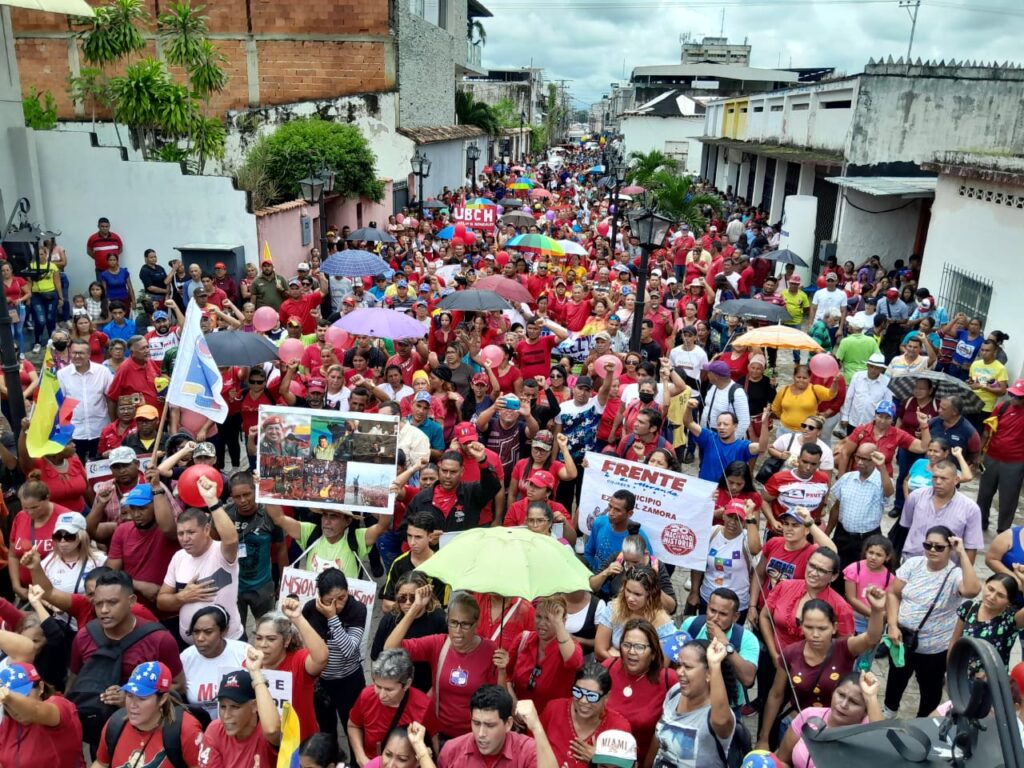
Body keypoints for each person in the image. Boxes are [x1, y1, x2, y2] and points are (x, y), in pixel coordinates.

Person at [756, 589, 886, 750]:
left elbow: (871, 638)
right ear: (801, 626)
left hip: (837, 728)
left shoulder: (844, 648)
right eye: (809, 627)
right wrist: (764, 738)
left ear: (834, 627)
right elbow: (776, 695)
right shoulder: (790, 653)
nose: (815, 634)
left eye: (822, 628)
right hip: (797, 727)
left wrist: (877, 610)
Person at [884, 527, 980, 717]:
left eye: (939, 547)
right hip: (902, 639)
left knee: (930, 689)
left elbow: (972, 590)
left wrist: (962, 553)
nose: (933, 550)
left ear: (950, 547)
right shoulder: (913, 564)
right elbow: (894, 594)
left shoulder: (955, 575)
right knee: (896, 678)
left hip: (934, 648)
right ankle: (888, 711)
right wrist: (893, 625)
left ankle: (925, 722)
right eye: (928, 545)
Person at [384, 588, 504, 741]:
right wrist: (415, 607)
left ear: (477, 623)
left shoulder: (490, 649)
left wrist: (502, 671)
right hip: (438, 735)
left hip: (475, 737)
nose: (458, 631)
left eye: (465, 624)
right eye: (453, 623)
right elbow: (389, 649)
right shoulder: (438, 644)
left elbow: (499, 698)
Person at [157, 477, 242, 644]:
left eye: (191, 532)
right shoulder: (179, 557)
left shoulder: (220, 552)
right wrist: (182, 597)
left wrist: (212, 501)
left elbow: (231, 540)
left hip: (228, 644)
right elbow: (162, 601)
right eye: (181, 534)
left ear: (207, 529)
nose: (185, 538)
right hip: (191, 649)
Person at [93, 660, 203, 768]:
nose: (132, 705)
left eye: (142, 698)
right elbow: (101, 763)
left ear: (162, 699)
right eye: (129, 695)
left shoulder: (186, 730)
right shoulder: (115, 724)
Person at [651, 639, 738, 768]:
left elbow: (722, 722)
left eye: (688, 667)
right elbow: (658, 737)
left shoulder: (716, 714)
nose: (679, 672)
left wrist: (715, 665)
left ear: (708, 673)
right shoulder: (675, 692)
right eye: (679, 665)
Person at [251, 600, 330, 741]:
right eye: (259, 638)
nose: (263, 645)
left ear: (286, 641)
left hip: (301, 744)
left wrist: (298, 618)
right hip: (264, 746)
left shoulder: (298, 661)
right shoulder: (250, 665)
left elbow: (321, 657)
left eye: (271, 639)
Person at [774, 671, 884, 768]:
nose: (843, 704)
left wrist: (870, 697)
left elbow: (885, 747)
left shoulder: (867, 734)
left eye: (854, 702)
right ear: (833, 692)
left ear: (865, 711)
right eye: (841, 694)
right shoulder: (809, 716)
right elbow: (783, 760)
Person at [347, 649, 435, 766]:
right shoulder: (366, 695)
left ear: (407, 684)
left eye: (389, 689)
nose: (381, 695)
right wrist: (361, 758)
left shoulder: (424, 706)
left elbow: (433, 744)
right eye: (378, 686)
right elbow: (353, 725)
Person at [199, 648, 283, 768]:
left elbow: (272, 730)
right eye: (223, 707)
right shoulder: (215, 730)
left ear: (254, 705)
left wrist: (256, 673)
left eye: (235, 707)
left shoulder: (266, 733)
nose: (226, 716)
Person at [538, 663, 631, 768]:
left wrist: (598, 760)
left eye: (592, 696)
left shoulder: (619, 728)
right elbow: (530, 750)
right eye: (578, 692)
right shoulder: (554, 709)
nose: (583, 700)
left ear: (607, 697)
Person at [438, 687, 557, 768]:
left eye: (490, 725)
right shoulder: (451, 751)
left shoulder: (526, 751)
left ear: (508, 724)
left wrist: (536, 727)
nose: (481, 733)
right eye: (476, 723)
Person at [371, 571, 448, 693]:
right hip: (395, 689)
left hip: (427, 687)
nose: (407, 603)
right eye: (402, 598)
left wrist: (434, 689)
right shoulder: (390, 619)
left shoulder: (439, 619)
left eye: (413, 598)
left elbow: (446, 660)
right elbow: (377, 656)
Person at [0, 660, 85, 767]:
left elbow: (35, 710)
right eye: (7, 705)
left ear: (41, 687)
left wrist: (9, 697)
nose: (14, 709)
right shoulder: (8, 723)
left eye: (25, 696)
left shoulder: (60, 706)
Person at [508, 595, 584, 712]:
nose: (542, 623)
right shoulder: (523, 639)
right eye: (538, 616)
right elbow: (506, 676)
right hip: (518, 717)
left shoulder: (568, 647)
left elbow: (574, 663)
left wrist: (558, 623)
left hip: (551, 720)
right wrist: (514, 706)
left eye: (548, 619)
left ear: (563, 621)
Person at [688, 500, 762, 618]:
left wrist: (749, 516)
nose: (733, 522)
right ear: (723, 515)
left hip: (737, 604)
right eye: (730, 516)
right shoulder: (712, 532)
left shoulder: (747, 537)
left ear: (744, 521)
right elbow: (698, 564)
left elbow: (755, 549)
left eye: (738, 518)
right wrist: (694, 592)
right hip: (708, 598)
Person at [899, 461, 984, 562]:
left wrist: (964, 574)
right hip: (912, 561)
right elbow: (906, 525)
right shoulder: (915, 496)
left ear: (956, 480)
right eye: (935, 477)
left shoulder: (970, 509)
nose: (938, 482)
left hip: (947, 568)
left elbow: (971, 547)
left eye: (943, 478)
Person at [825, 445, 893, 569]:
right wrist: (827, 532)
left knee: (861, 573)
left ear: (874, 459)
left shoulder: (882, 480)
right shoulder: (847, 478)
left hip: (867, 539)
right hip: (843, 535)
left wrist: (882, 466)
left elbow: (889, 493)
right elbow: (836, 506)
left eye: (865, 459)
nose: (860, 462)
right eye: (858, 457)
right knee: (837, 570)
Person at [180, 605, 251, 720]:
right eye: (196, 632)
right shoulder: (185, 659)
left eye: (208, 632)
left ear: (224, 631)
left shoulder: (244, 652)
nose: (200, 638)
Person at [683, 399, 770, 484]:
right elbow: (689, 423)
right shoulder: (709, 437)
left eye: (726, 424)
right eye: (719, 424)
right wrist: (688, 408)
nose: (721, 427)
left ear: (735, 426)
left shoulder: (742, 446)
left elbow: (762, 448)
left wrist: (764, 424)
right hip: (705, 488)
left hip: (728, 493)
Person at [977, 379, 1024, 532]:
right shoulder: (1002, 407)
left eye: (1019, 397)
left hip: (1014, 463)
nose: (1014, 399)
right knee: (984, 494)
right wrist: (979, 454)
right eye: (1012, 395)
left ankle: (1003, 531)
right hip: (991, 457)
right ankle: (979, 524)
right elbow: (987, 431)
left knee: (1008, 499)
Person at [950, 571, 1024, 669]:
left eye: (1000, 595)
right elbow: (954, 642)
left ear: (1009, 602)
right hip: (962, 676)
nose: (992, 597)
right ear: (985, 584)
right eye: (990, 589)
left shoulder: (1011, 618)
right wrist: (950, 672)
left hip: (993, 681)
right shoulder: (969, 607)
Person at [57, 338, 115, 462]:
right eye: (74, 353)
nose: (77, 356)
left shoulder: (103, 372)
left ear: (89, 354)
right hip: (74, 431)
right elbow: (59, 404)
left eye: (81, 353)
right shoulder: (62, 374)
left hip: (100, 429)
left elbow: (111, 398)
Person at [761, 443, 832, 530]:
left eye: (813, 464)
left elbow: (822, 499)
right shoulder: (779, 479)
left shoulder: (823, 479)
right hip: (780, 531)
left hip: (807, 532)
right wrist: (772, 521)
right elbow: (763, 500)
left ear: (818, 464)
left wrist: (817, 519)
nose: (808, 467)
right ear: (798, 459)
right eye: (805, 462)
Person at [583, 491, 651, 571]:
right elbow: (588, 553)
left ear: (629, 513)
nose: (611, 513)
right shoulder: (600, 522)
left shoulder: (639, 537)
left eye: (617, 510)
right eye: (610, 506)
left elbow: (648, 568)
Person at [770, 364, 836, 434]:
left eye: (804, 378)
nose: (801, 380)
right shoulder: (784, 390)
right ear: (793, 377)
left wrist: (835, 382)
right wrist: (786, 418)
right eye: (798, 377)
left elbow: (831, 394)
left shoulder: (815, 389)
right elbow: (775, 408)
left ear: (810, 378)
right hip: (784, 430)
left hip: (806, 432)